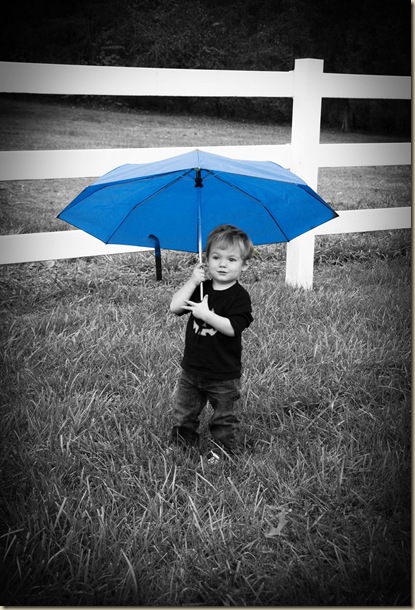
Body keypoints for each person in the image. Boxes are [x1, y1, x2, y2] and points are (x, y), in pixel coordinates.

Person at [169, 224, 254, 463]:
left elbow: (233, 327)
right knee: (184, 412)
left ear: (244, 265)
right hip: (192, 369)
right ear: (206, 260)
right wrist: (192, 281)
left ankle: (223, 451)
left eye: (231, 259)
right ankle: (182, 444)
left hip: (223, 373)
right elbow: (175, 307)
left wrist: (207, 315)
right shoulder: (201, 289)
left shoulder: (239, 296)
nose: (222, 264)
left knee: (223, 417)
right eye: (216, 257)